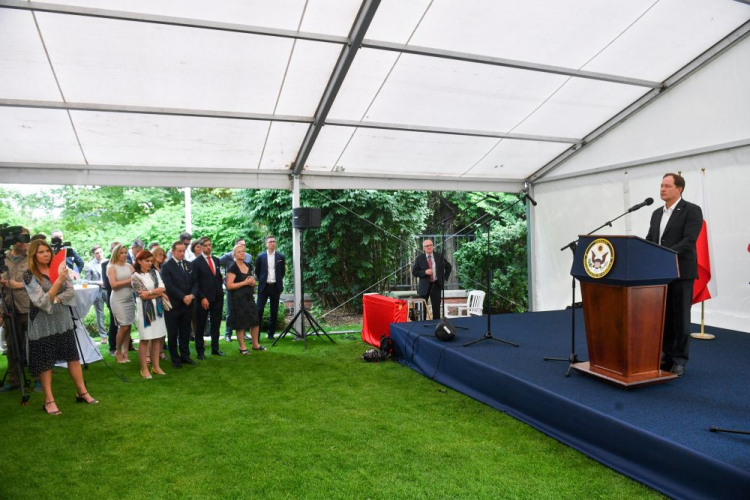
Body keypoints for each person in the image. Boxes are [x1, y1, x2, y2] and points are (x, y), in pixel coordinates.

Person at [23, 239, 98, 414]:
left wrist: (55, 299)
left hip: (63, 320)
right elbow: (40, 301)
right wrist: (58, 283)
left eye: (47, 251)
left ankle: (82, 392)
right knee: (45, 362)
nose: (45, 254)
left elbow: (70, 291)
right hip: (42, 324)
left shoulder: (60, 268)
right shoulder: (29, 275)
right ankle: (49, 401)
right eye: (40, 252)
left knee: (73, 357)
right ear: (34, 255)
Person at [645, 173, 703, 377]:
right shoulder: (656, 213)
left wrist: (663, 254)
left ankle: (680, 360)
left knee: (680, 319)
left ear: (679, 189)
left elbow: (689, 241)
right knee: (664, 318)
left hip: (681, 272)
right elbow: (651, 239)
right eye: (661, 185)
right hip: (660, 273)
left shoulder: (692, 211)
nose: (662, 189)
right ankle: (667, 357)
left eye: (667, 186)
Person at [0, 227, 39, 393]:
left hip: (29, 307)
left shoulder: (33, 257)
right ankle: (14, 380)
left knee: (35, 345)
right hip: (9, 308)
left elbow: (41, 280)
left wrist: (18, 285)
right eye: (22, 238)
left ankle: (39, 379)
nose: (25, 241)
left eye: (27, 238)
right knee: (12, 346)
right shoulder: (4, 258)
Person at [161, 241, 199, 368]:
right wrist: (183, 297)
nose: (182, 253)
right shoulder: (166, 267)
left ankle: (185, 356)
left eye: (184, 251)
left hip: (188, 305)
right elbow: (169, 286)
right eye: (179, 251)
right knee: (173, 333)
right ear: (173, 252)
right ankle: (175, 359)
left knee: (185, 331)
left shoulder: (189, 265)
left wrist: (191, 296)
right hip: (173, 305)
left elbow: (195, 283)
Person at [131, 250, 168, 379]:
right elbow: (143, 295)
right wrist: (157, 293)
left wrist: (151, 292)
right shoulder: (135, 276)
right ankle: (144, 368)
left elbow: (162, 288)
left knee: (157, 338)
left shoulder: (155, 272)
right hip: (145, 311)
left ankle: (156, 367)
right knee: (145, 338)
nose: (149, 263)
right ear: (139, 261)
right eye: (147, 261)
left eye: (151, 261)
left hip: (157, 309)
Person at [226, 244, 264, 354]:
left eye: (243, 251)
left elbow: (252, 279)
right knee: (240, 323)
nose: (242, 253)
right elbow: (229, 286)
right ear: (234, 254)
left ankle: (255, 345)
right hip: (238, 299)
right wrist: (245, 282)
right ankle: (242, 347)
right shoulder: (232, 267)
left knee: (255, 321)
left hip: (249, 297)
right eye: (239, 252)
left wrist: (252, 282)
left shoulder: (248, 265)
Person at [193, 237, 225, 358]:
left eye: (210, 245)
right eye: (206, 245)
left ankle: (215, 349)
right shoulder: (196, 263)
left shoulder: (216, 260)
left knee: (216, 324)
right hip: (204, 299)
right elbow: (195, 282)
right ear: (201, 247)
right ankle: (200, 352)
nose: (208, 247)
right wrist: (202, 298)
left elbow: (217, 277)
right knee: (200, 326)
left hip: (217, 297)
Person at [220, 238, 252, 342]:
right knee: (230, 311)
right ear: (235, 246)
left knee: (245, 312)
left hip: (246, 290)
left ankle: (244, 333)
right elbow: (217, 263)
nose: (243, 247)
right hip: (233, 289)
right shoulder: (227, 256)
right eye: (241, 245)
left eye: (244, 245)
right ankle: (228, 334)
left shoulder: (248, 257)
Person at [108, 244, 135, 364]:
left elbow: (137, 279)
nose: (124, 255)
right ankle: (118, 351)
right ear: (116, 254)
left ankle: (126, 352)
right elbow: (113, 285)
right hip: (118, 299)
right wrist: (129, 281)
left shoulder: (129, 266)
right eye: (121, 253)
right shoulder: (111, 267)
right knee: (123, 326)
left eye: (125, 252)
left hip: (129, 298)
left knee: (128, 326)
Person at [412, 239, 452, 321]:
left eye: (431, 245)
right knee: (422, 308)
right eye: (427, 246)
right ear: (423, 248)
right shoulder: (419, 258)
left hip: (436, 285)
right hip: (424, 286)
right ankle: (422, 325)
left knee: (436, 307)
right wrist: (424, 272)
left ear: (433, 246)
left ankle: (436, 326)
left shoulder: (439, 256)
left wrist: (444, 278)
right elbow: (414, 272)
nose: (429, 247)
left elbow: (449, 267)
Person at [255, 235, 286, 340]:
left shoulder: (280, 257)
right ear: (266, 244)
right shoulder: (260, 257)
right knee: (259, 311)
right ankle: (256, 336)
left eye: (274, 241)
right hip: (264, 287)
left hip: (275, 288)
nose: (272, 243)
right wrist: (263, 280)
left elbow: (282, 272)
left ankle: (271, 334)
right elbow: (257, 272)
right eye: (270, 242)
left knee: (274, 311)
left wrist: (276, 282)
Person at [83, 245, 108, 344]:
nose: (99, 254)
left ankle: (117, 331)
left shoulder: (108, 262)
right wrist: (98, 282)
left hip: (109, 290)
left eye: (101, 252)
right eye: (97, 253)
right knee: (99, 314)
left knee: (114, 311)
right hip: (97, 292)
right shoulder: (89, 265)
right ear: (93, 254)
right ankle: (103, 336)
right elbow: (86, 281)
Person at [101, 241, 121, 356]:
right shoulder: (105, 265)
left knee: (127, 322)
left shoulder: (126, 263)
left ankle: (128, 345)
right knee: (114, 322)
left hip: (126, 297)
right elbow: (107, 284)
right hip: (112, 296)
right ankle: (112, 347)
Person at [150, 246, 167, 360]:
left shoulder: (163, 268)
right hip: (153, 300)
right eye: (160, 254)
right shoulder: (149, 268)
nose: (162, 256)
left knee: (163, 326)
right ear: (154, 255)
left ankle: (160, 351)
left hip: (164, 300)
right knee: (153, 327)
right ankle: (150, 353)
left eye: (163, 254)